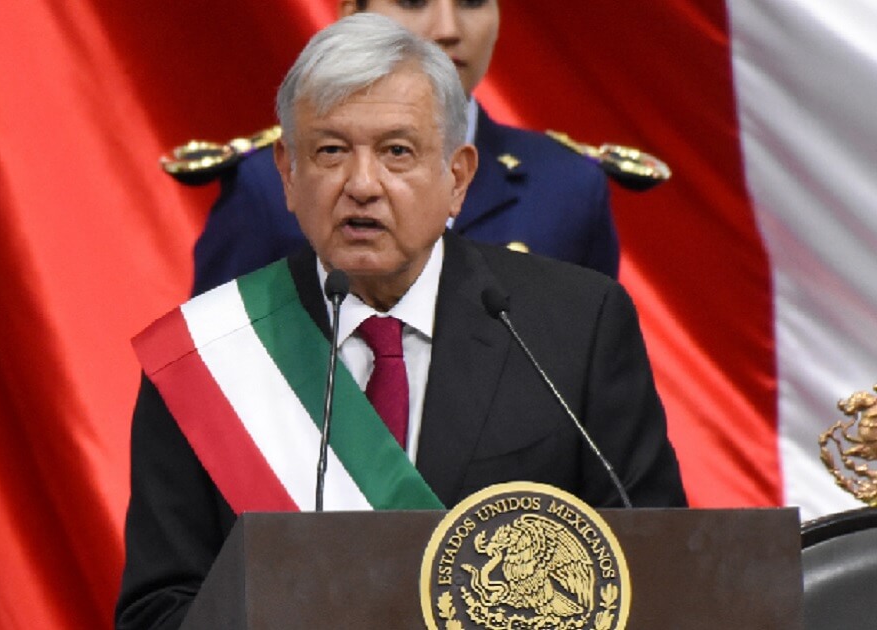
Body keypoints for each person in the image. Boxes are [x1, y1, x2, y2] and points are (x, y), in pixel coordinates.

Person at [118, 14, 685, 630]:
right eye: (330, 151)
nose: (362, 185)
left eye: (397, 152)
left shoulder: (578, 324)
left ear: (458, 179)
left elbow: (659, 571)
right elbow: (159, 611)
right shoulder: (208, 354)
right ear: (287, 172)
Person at [190, 0, 619, 296]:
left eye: (471, 2)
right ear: (350, 16)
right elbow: (207, 389)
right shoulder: (268, 183)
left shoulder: (568, 187)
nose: (448, 30)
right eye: (413, 1)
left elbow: (596, 401)